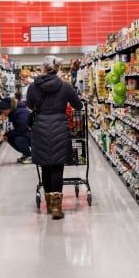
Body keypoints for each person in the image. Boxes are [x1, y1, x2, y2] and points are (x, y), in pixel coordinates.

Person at [27, 55, 83, 219]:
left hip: (40, 128)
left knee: (45, 166)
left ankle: (50, 205)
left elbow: (30, 106)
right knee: (58, 166)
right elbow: (78, 105)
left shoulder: (33, 87)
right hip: (60, 128)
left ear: (43, 68)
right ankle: (58, 208)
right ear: (58, 69)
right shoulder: (65, 86)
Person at [0, 97, 32, 164]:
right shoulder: (14, 111)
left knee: (18, 139)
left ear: (9, 109)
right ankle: (26, 154)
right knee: (10, 138)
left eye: (3, 111)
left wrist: (7, 134)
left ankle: (30, 156)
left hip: (34, 135)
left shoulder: (21, 112)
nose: (3, 113)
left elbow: (22, 128)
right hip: (27, 133)